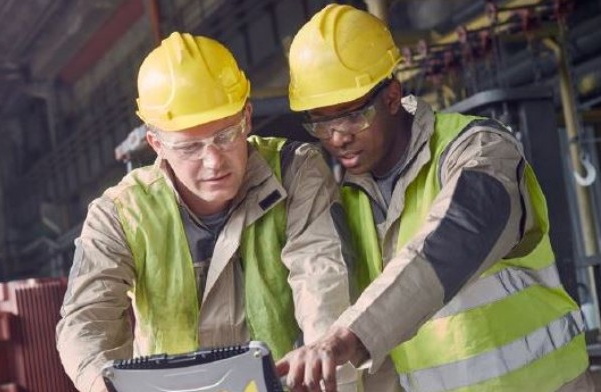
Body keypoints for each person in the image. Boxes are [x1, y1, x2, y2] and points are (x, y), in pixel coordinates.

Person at [276, 4, 592, 392]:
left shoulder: (479, 149)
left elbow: (455, 236)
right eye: (321, 122)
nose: (337, 136)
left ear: (392, 97)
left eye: (352, 116)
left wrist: (347, 336)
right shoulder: (349, 200)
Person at [56, 32, 355, 392]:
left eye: (227, 135)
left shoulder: (295, 173)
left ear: (247, 116)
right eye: (190, 147)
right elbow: (86, 320)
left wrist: (322, 361)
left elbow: (321, 277)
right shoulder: (119, 214)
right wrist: (100, 383)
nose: (213, 161)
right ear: (156, 144)